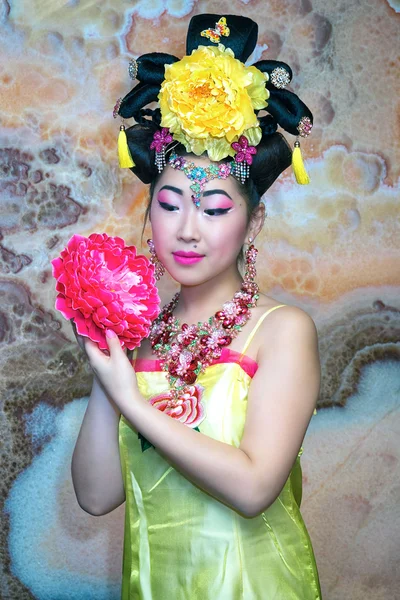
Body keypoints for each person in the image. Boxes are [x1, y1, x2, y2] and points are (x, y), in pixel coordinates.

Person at [71, 14, 322, 600]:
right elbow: (96, 496)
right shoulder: (142, 340)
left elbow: (256, 486)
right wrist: (109, 360)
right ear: (150, 211)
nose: (187, 230)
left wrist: (132, 397)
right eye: (169, 204)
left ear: (253, 221)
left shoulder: (281, 331)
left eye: (213, 208)